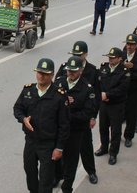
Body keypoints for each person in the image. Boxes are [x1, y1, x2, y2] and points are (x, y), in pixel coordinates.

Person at [13, 58, 69, 193]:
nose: (41, 76)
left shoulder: (59, 96)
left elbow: (64, 125)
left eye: (45, 73)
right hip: (31, 142)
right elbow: (17, 108)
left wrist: (59, 148)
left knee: (45, 180)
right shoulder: (28, 90)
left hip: (48, 145)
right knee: (30, 173)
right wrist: (23, 119)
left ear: (52, 75)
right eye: (39, 72)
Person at [54, 56, 96, 193]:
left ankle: (67, 187)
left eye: (74, 71)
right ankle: (57, 177)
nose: (70, 73)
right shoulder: (59, 82)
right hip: (59, 129)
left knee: (71, 161)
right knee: (57, 156)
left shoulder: (87, 88)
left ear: (81, 71)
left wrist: (67, 114)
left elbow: (86, 114)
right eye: (68, 70)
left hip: (75, 131)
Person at [95, 47, 129, 165]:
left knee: (115, 130)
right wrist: (101, 95)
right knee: (103, 127)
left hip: (116, 104)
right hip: (104, 104)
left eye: (113, 58)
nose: (110, 59)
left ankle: (113, 153)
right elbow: (98, 83)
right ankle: (104, 147)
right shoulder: (104, 68)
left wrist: (108, 95)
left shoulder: (124, 71)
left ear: (120, 59)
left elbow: (123, 88)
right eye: (109, 57)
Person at [121, 33, 137, 148]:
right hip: (121, 91)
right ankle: (115, 135)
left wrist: (132, 67)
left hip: (133, 91)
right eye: (128, 44)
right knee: (118, 115)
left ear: (136, 45)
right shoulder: (121, 55)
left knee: (131, 115)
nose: (129, 47)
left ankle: (128, 137)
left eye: (131, 45)